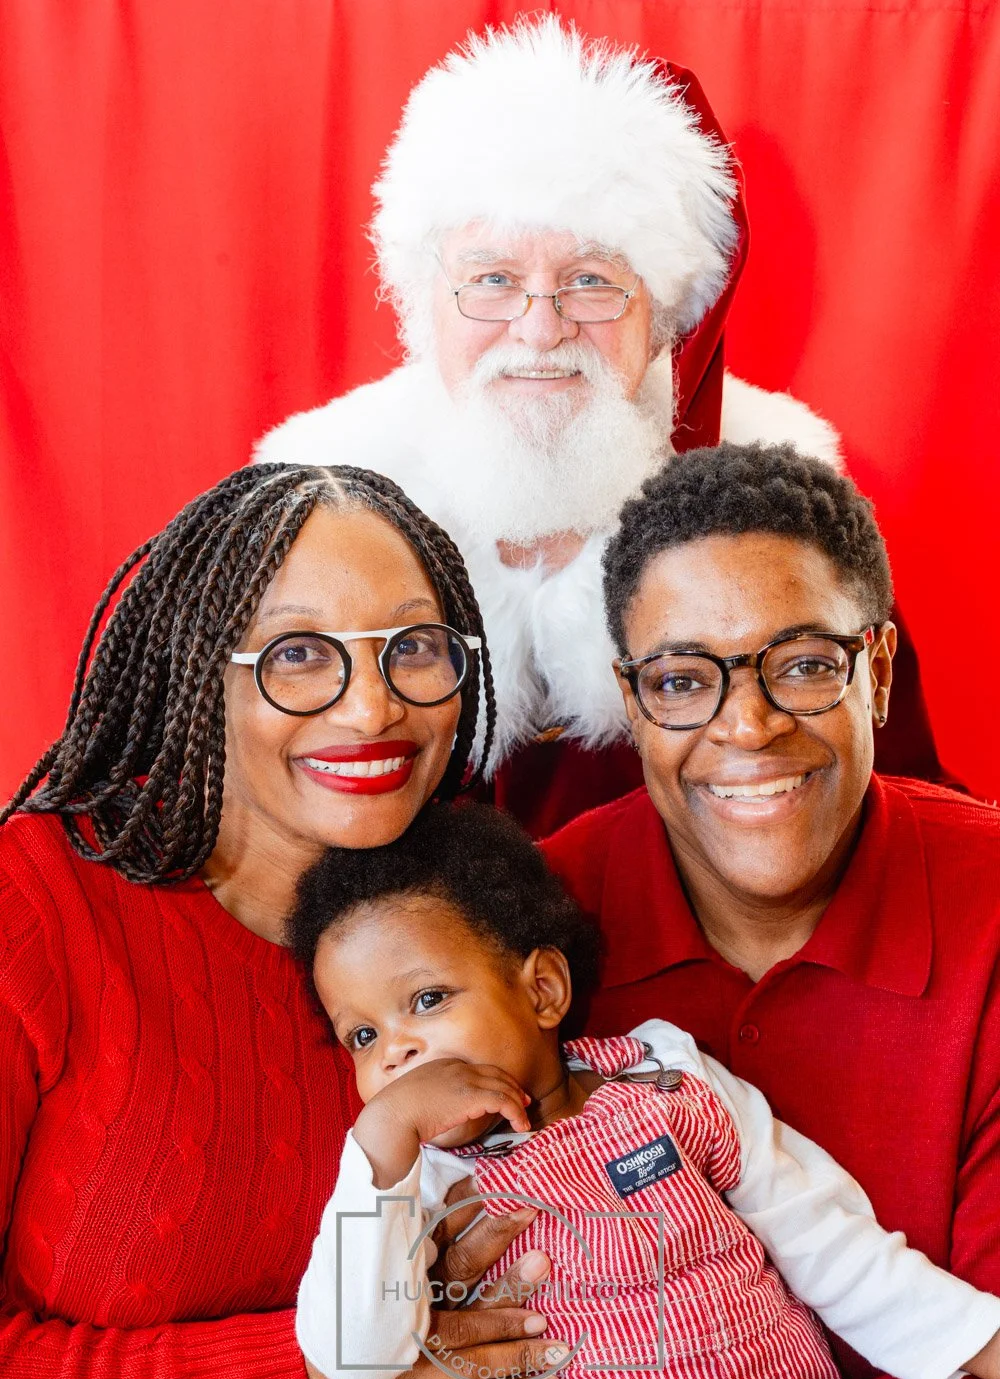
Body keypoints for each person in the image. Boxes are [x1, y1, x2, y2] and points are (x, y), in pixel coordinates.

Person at [0, 462, 567, 1379]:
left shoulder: (474, 924)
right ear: (197, 675)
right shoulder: (34, 905)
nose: (371, 705)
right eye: (300, 654)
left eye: (414, 650)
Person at [255, 17, 945, 835]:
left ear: (662, 315)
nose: (540, 329)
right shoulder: (310, 514)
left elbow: (902, 819)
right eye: (493, 279)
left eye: (590, 281)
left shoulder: (784, 527)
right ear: (418, 300)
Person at [525, 442, 1000, 1379]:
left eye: (800, 663)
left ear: (873, 671)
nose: (746, 726)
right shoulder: (523, 927)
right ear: (632, 702)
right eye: (684, 680)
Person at [284, 800, 1000, 1379]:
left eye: (429, 1000)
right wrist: (379, 1151)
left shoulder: (663, 1076)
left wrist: (980, 1341)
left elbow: (827, 1241)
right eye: (363, 1037)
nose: (397, 1051)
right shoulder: (418, 1182)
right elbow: (360, 1356)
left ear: (542, 990)